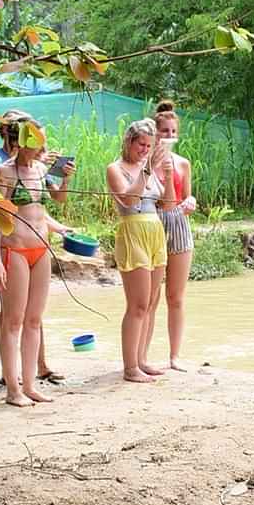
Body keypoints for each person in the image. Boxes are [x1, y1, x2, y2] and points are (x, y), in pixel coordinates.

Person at [0, 111, 73, 386]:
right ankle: (13, 387)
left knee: (34, 320)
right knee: (13, 321)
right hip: (16, 250)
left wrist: (66, 178)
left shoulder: (41, 170)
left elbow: (58, 199)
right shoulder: (4, 172)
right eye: (39, 143)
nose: (43, 148)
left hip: (41, 249)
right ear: (23, 141)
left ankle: (31, 385)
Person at [106, 119, 167, 381]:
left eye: (149, 146)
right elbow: (129, 199)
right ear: (129, 142)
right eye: (141, 144)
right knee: (138, 304)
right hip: (132, 230)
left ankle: (142, 359)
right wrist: (147, 170)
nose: (144, 149)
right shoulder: (115, 168)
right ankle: (130, 367)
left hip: (155, 230)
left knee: (152, 302)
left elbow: (164, 200)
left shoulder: (149, 168)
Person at [153, 101, 198, 371]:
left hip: (179, 223)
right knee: (150, 296)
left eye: (172, 131)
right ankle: (140, 356)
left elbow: (188, 195)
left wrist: (190, 201)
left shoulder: (183, 163)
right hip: (153, 223)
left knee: (176, 296)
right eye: (164, 131)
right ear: (155, 133)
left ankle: (174, 356)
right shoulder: (147, 161)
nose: (169, 136)